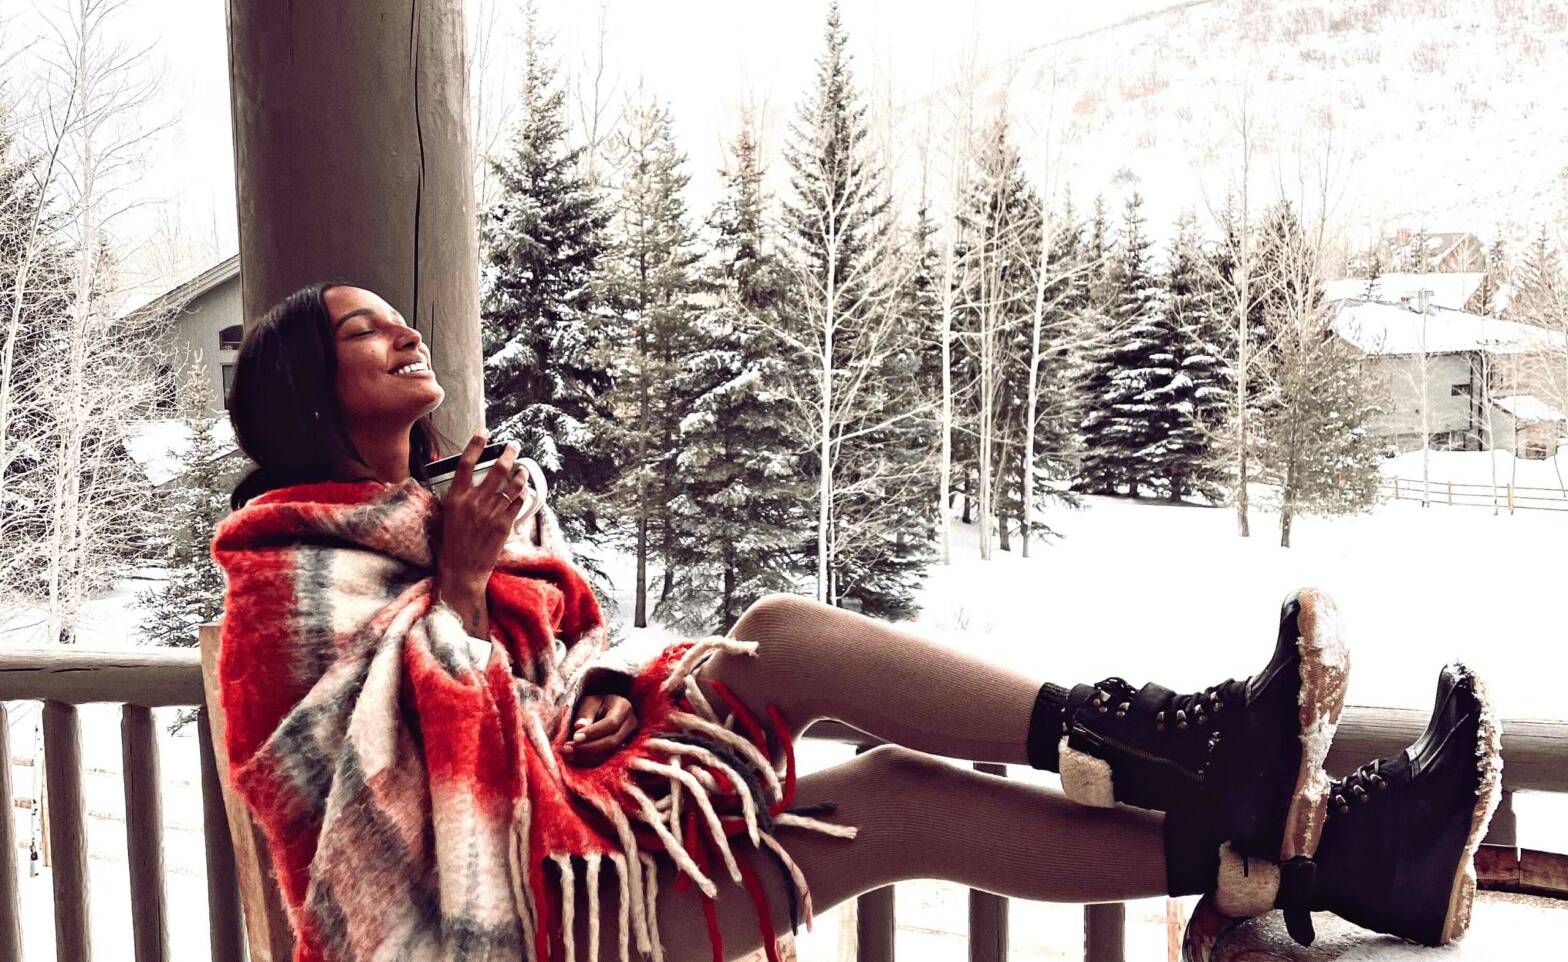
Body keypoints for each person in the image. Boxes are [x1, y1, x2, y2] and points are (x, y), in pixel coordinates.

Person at [212, 282, 1503, 962]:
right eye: (357, 330)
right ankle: (1328, 843)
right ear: (300, 390)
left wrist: (591, 676)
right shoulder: (283, 584)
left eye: (396, 313)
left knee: (781, 634)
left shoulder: (438, 515)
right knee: (892, 806)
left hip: (581, 827)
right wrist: (469, 582)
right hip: (512, 924)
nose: (400, 331)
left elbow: (526, 699)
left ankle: (1260, 787)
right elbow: (390, 801)